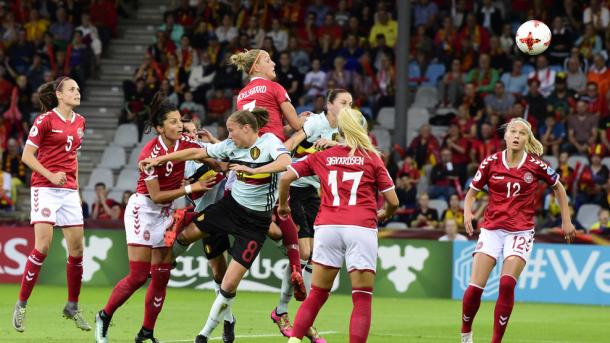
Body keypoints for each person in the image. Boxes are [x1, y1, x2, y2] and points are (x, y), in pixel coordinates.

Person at [139, 108, 292, 343]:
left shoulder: (269, 142)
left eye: (231, 130)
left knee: (228, 283)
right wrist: (161, 159)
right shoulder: (230, 146)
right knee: (185, 237)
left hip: (255, 222)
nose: (229, 136)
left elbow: (285, 161)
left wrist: (254, 170)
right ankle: (162, 268)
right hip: (228, 209)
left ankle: (204, 334)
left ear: (246, 128)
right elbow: (194, 152)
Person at [94, 92, 215, 343]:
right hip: (144, 210)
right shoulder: (148, 154)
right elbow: (157, 196)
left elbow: (210, 159)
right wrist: (192, 188)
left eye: (179, 120)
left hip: (166, 213)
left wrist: (228, 161)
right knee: (139, 276)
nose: (179, 125)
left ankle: (146, 332)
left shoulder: (184, 144)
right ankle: (104, 315)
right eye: (172, 121)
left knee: (161, 276)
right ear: (160, 128)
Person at [282, 108, 399, 343]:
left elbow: (286, 177)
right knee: (362, 297)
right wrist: (386, 213)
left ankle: (293, 340)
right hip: (361, 227)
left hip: (327, 227)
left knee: (317, 293)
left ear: (340, 130)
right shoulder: (371, 158)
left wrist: (283, 205)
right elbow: (393, 201)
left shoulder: (323, 155)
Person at [461, 117, 576, 343]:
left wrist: (566, 221)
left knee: (506, 284)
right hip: (492, 229)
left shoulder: (535, 165)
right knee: (475, 288)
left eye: (521, 133)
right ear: (505, 136)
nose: (516, 136)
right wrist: (467, 213)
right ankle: (466, 335)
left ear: (527, 139)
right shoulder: (490, 162)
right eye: (512, 132)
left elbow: (559, 188)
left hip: (520, 231)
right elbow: (472, 193)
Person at [270, 89, 353, 341]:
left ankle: (293, 316)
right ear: (329, 105)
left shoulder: (348, 129)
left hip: (314, 192)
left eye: (351, 103)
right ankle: (284, 311)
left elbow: (360, 149)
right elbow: (292, 144)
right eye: (343, 102)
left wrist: (335, 144)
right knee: (305, 253)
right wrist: (279, 161)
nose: (348, 106)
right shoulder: (315, 122)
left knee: (314, 256)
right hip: (292, 186)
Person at [12, 77, 91, 332]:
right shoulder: (44, 120)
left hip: (67, 191)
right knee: (43, 246)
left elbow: (73, 157)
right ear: (59, 94)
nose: (77, 93)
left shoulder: (80, 122)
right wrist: (50, 175)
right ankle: (22, 304)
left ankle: (72, 306)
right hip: (45, 188)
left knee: (77, 250)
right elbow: (26, 155)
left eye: (78, 89)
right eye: (72, 89)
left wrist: (76, 189)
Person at [230, 48, 306, 299]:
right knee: (284, 209)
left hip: (250, 157)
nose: (273, 63)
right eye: (267, 60)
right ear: (256, 68)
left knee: (268, 212)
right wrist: (308, 122)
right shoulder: (275, 88)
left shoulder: (241, 95)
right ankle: (296, 264)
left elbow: (264, 127)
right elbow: (294, 125)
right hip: (272, 155)